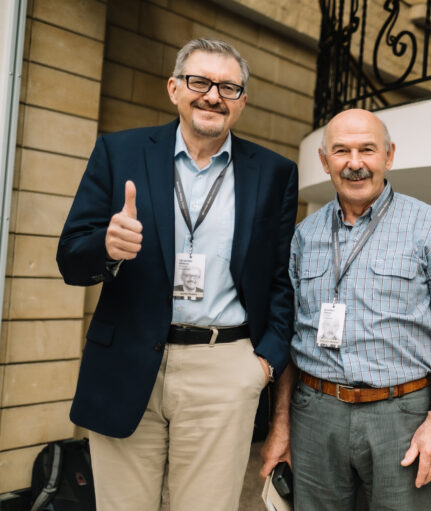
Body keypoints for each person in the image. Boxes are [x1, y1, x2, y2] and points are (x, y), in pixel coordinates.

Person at [57, 38, 297, 511]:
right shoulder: (119, 151)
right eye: (199, 82)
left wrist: (262, 365)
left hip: (224, 369)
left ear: (242, 100)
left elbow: (282, 281)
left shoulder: (274, 173)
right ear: (174, 88)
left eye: (228, 87)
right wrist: (106, 246)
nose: (213, 96)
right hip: (126, 360)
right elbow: (70, 257)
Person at [259, 108, 431, 510]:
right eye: (341, 151)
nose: (354, 163)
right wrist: (281, 426)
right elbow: (291, 334)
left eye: (367, 150)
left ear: (389, 156)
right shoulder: (304, 235)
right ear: (324, 161)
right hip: (315, 412)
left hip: (400, 416)